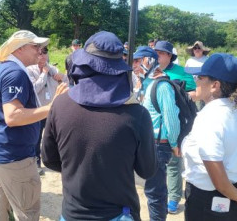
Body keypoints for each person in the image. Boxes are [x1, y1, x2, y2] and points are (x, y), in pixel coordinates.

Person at [42, 32, 157, 221]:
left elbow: (49, 159)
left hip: (73, 212)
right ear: (119, 70)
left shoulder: (60, 105)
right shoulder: (137, 114)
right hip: (119, 213)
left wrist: (80, 170)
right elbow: (147, 170)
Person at [0, 30, 68, 221]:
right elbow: (13, 116)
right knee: (27, 211)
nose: (40, 51)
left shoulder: (0, 68)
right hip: (14, 157)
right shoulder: (15, 73)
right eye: (35, 46)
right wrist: (52, 106)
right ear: (20, 49)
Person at [182, 53, 237, 221]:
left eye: (200, 76)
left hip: (205, 203)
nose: (195, 80)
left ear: (214, 85)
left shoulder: (208, 117)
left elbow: (218, 179)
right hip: (232, 205)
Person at [133, 46, 180, 221]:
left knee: (155, 193)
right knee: (149, 190)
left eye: (138, 61)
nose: (134, 65)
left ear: (149, 61)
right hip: (147, 144)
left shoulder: (162, 86)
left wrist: (174, 144)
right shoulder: (144, 83)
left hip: (159, 146)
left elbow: (171, 118)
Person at [154, 40, 196, 214]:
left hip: (175, 122)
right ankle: (163, 193)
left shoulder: (181, 72)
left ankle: (174, 197)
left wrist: (177, 96)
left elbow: (195, 93)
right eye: (154, 52)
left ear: (169, 55)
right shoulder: (152, 71)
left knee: (173, 161)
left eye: (159, 53)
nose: (155, 56)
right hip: (156, 126)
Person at [27, 46, 67, 175]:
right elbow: (33, 89)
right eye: (39, 53)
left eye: (45, 53)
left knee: (55, 137)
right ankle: (37, 162)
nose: (42, 56)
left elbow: (66, 84)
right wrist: (44, 74)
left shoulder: (53, 68)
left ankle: (58, 160)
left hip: (53, 110)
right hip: (37, 110)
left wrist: (62, 77)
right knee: (36, 138)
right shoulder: (30, 70)